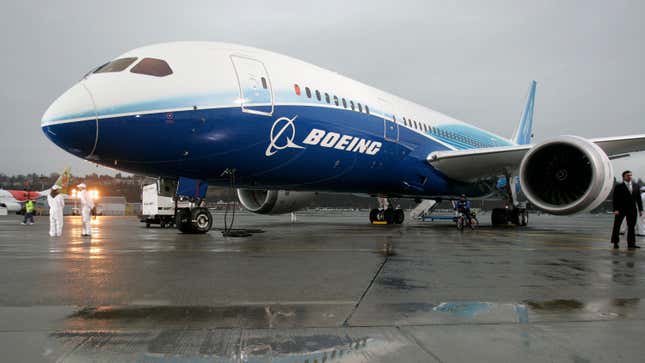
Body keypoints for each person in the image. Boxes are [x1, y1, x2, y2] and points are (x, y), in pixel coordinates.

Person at [611, 170, 643, 249]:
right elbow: (615, 199)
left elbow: (638, 199)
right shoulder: (619, 186)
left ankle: (631, 244)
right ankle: (615, 242)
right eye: (628, 175)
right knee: (617, 226)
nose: (630, 177)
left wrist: (640, 209)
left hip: (632, 210)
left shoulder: (636, 185)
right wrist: (615, 209)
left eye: (631, 175)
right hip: (620, 209)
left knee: (631, 227)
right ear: (624, 177)